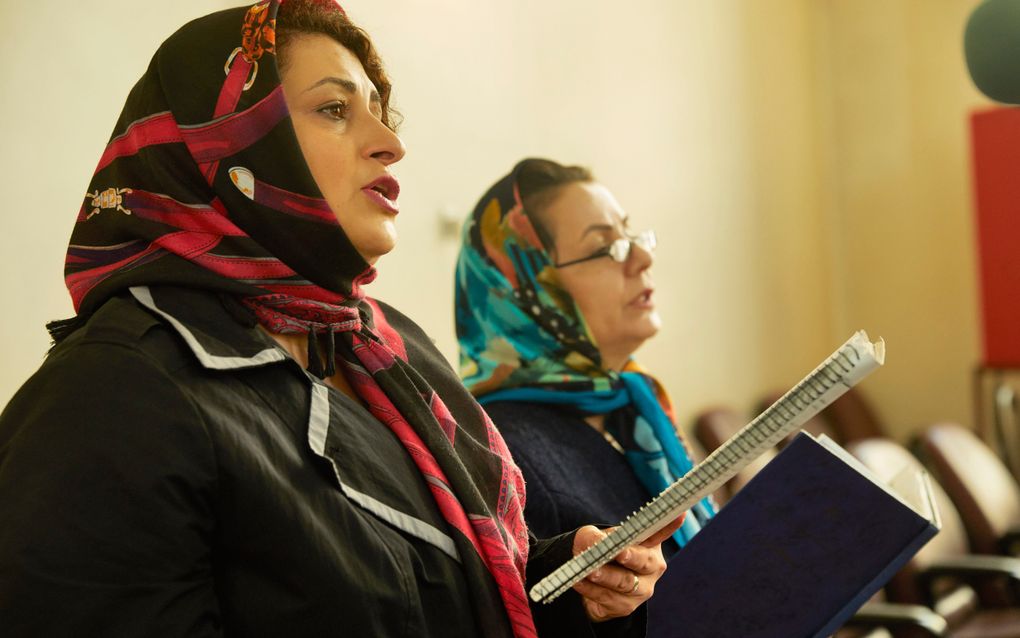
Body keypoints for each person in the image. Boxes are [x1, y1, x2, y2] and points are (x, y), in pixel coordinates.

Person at [0, 4, 679, 636]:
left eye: (384, 115)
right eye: (333, 109)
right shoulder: (113, 395)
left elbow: (444, 594)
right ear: (224, 143)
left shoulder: (382, 341)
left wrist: (566, 580)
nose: (389, 144)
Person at [454, 158, 716, 552]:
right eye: (605, 247)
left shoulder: (629, 408)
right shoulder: (504, 455)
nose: (643, 258)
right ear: (524, 290)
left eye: (629, 235)